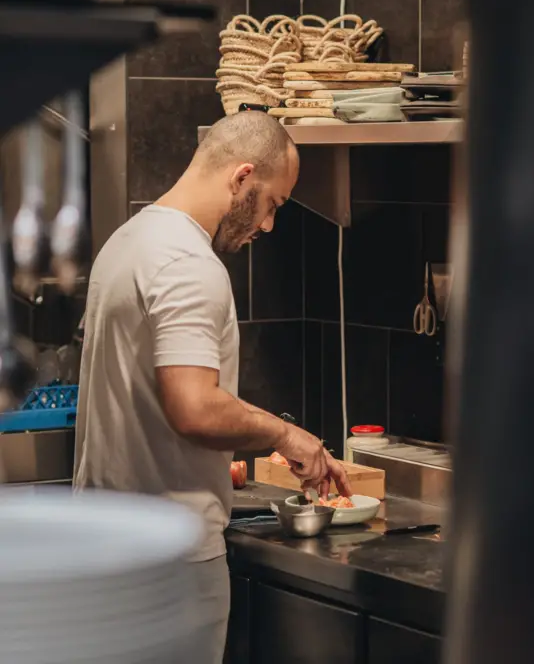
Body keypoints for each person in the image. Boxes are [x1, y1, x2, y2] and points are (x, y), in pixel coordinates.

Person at [73, 111, 351, 663]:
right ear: (242, 177)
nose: (268, 225)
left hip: (106, 545)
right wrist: (287, 436)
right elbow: (194, 408)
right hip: (166, 565)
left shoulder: (129, 240)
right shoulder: (188, 264)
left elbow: (140, 398)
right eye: (273, 203)